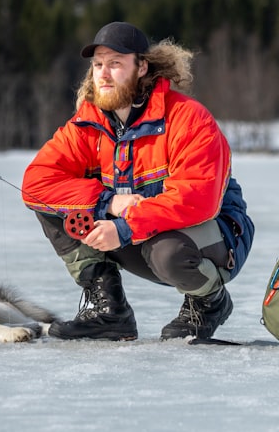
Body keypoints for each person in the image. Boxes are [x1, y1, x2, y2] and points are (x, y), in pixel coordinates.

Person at [21, 21, 254, 341]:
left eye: (115, 64)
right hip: (139, 232)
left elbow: (198, 198)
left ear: (142, 67)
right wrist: (108, 202)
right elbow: (37, 182)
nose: (102, 73)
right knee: (54, 204)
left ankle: (209, 301)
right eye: (98, 64)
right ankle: (109, 310)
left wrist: (125, 228)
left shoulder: (188, 119)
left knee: (167, 252)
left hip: (214, 237)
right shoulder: (89, 124)